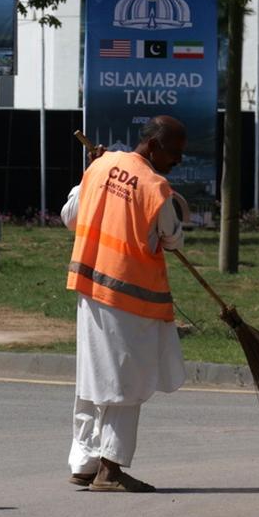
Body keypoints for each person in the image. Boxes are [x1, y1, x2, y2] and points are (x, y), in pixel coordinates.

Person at [61, 115, 188, 493]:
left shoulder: (99, 166)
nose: (178, 160)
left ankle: (84, 462)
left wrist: (93, 174)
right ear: (154, 146)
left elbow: (70, 217)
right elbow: (172, 239)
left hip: (90, 288)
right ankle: (110, 469)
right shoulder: (155, 186)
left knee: (93, 376)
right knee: (124, 381)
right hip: (128, 297)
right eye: (175, 152)